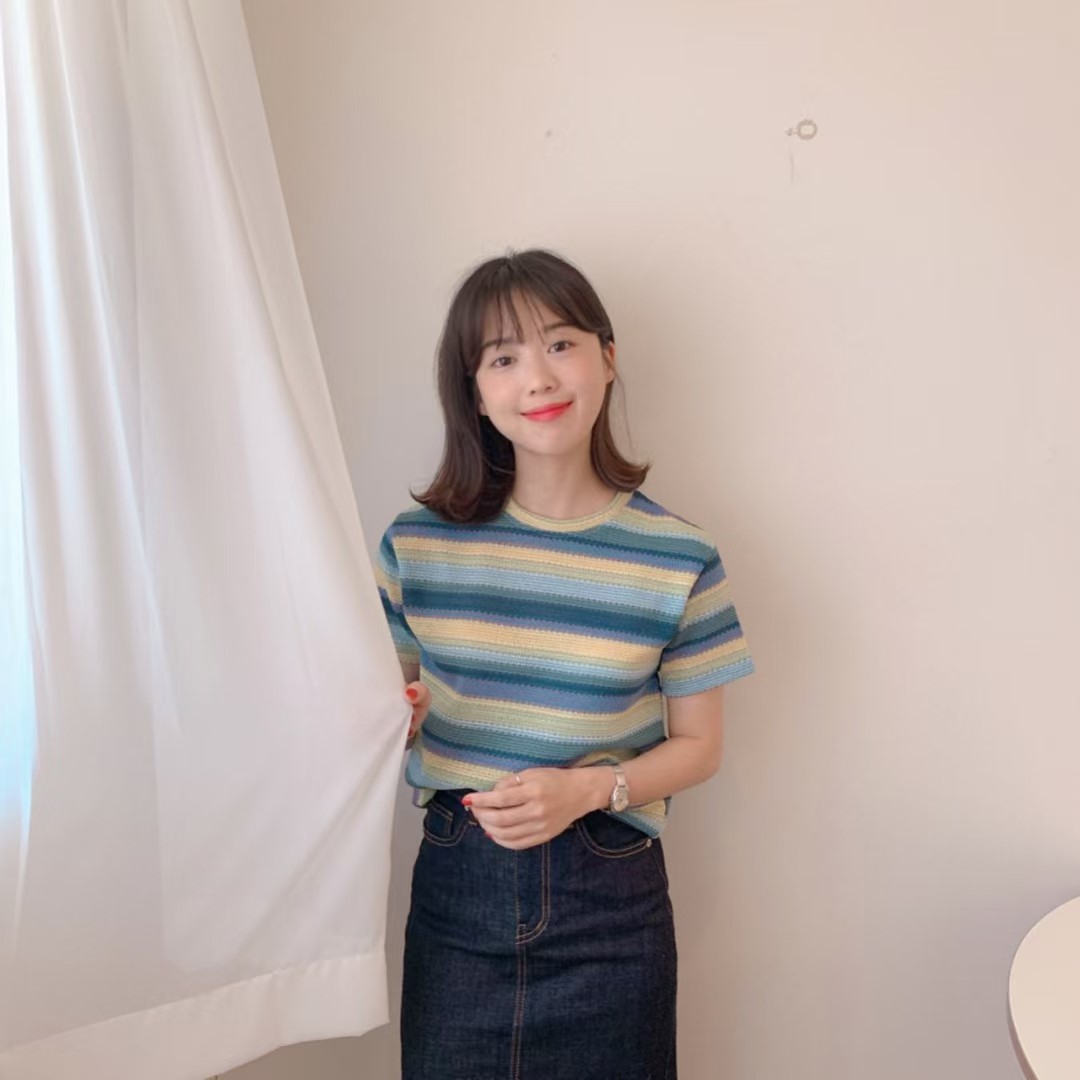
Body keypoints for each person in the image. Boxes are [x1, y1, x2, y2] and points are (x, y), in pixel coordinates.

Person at [373, 249, 755, 1080]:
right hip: (458, 895)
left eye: (559, 344)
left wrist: (585, 790)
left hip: (612, 903)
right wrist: (388, 721)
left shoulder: (680, 555)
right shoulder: (415, 546)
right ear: (475, 393)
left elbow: (700, 747)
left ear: (607, 359)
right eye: (502, 358)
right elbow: (384, 716)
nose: (538, 379)